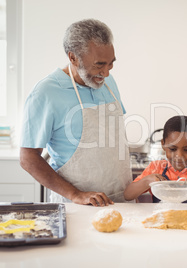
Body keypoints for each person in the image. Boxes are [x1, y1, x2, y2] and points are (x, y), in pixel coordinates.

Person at [20, 19, 132, 206]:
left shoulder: (107, 82)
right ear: (73, 58)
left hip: (122, 201)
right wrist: (76, 194)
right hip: (78, 206)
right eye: (99, 65)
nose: (105, 73)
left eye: (110, 64)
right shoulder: (45, 93)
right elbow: (28, 158)